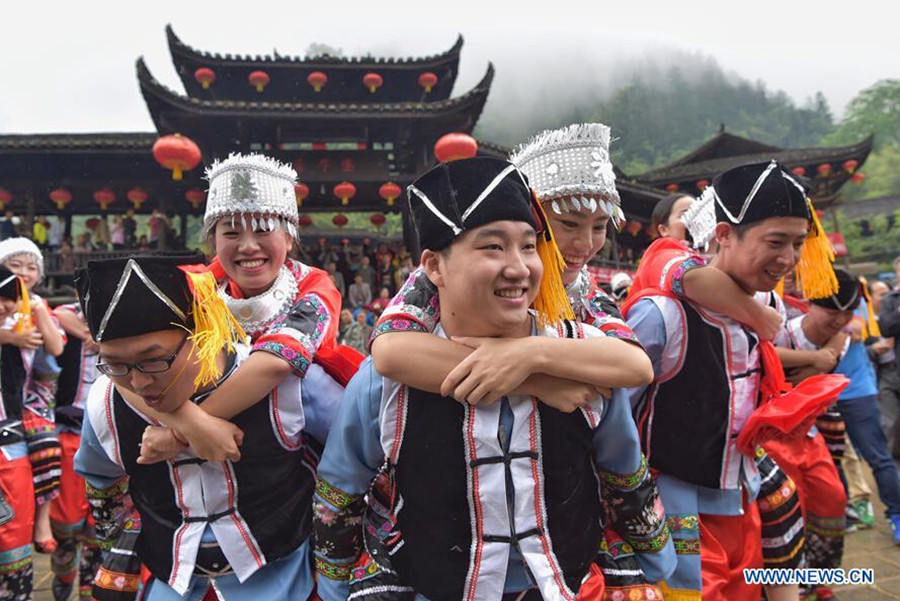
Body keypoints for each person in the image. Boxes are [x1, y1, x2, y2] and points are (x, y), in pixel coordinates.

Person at [314, 156, 672, 601]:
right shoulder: (386, 381)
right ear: (434, 266)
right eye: (493, 247)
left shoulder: (584, 360)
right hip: (427, 584)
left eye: (527, 246)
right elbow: (341, 487)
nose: (520, 267)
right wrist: (333, 582)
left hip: (564, 582)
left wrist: (658, 559)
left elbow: (623, 469)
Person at [73, 254, 339, 601]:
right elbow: (100, 482)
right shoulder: (105, 404)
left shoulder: (291, 388)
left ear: (202, 333)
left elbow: (354, 466)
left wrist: (335, 568)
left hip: (287, 580)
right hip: (170, 584)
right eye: (116, 365)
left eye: (154, 360)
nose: (137, 382)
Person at [624, 160, 820, 601]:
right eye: (775, 242)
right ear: (725, 234)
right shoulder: (664, 315)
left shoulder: (769, 304)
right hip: (677, 509)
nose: (788, 259)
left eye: (797, 243)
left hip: (743, 496)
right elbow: (615, 417)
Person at [129, 153, 351, 466]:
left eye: (262, 230)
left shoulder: (316, 286)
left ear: (288, 238)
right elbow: (123, 355)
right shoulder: (195, 285)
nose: (248, 246)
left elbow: (275, 364)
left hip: (301, 441)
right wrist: (194, 426)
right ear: (214, 242)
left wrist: (179, 434)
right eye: (231, 233)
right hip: (209, 442)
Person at [813, 270, 900, 544]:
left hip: (855, 390)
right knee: (828, 462)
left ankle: (896, 514)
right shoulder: (792, 294)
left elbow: (860, 331)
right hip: (817, 391)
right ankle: (844, 513)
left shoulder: (846, 289)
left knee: (878, 457)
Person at [0, 237, 66, 554]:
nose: (24, 273)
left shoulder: (38, 305)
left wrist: (39, 310)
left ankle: (42, 519)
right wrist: (11, 335)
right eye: (15, 266)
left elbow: (56, 348)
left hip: (31, 396)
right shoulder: (4, 302)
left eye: (31, 267)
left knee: (47, 446)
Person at [47, 301, 102, 601]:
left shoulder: (122, 320)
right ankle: (64, 565)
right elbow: (56, 312)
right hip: (69, 424)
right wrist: (85, 334)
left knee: (100, 519)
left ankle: (90, 588)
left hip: (108, 430)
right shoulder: (69, 316)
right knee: (66, 517)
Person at [0, 267, 41, 600]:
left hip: (10, 441)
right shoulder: (12, 335)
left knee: (15, 534)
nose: (3, 306)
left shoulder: (21, 331)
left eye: (9, 298)